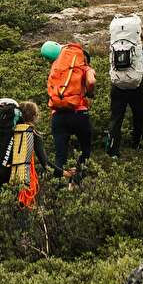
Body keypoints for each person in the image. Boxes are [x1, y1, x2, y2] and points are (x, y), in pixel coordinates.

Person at [0, 100, 54, 244]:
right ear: (34, 117)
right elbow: (46, 164)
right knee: (21, 223)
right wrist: (65, 173)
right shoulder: (29, 133)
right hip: (15, 184)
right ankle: (19, 253)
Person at [46, 42, 96, 182]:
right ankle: (78, 180)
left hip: (58, 115)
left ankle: (57, 188)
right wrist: (89, 94)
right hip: (79, 113)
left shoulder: (58, 67)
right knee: (85, 150)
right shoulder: (85, 68)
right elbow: (91, 82)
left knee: (60, 155)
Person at [107, 42, 143, 158]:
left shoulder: (115, 50)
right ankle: (136, 143)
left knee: (116, 118)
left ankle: (112, 150)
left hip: (117, 88)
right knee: (139, 114)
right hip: (136, 88)